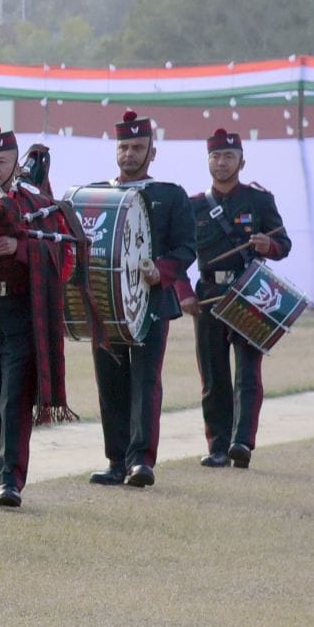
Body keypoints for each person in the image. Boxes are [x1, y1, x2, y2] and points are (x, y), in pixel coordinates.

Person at [0, 125, 79, 507]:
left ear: (15, 162)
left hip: (19, 313)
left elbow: (64, 259)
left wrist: (20, 248)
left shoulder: (35, 203)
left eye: (1, 161)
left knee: (14, 398)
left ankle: (11, 480)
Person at [81, 110, 195, 488]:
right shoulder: (98, 193)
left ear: (152, 152)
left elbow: (185, 249)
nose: (129, 154)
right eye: (124, 147)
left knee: (146, 381)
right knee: (110, 383)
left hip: (152, 305)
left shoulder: (171, 195)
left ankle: (141, 462)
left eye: (138, 147)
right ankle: (115, 461)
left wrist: (158, 271)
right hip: (106, 304)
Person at [191, 128, 290, 469]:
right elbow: (181, 254)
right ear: (207, 160)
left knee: (248, 373)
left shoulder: (259, 200)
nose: (221, 163)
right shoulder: (194, 206)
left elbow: (284, 244)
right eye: (216, 156)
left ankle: (241, 443)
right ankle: (217, 446)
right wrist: (181, 293)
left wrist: (269, 246)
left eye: (228, 156)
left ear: (241, 161)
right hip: (209, 296)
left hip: (250, 293)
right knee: (213, 375)